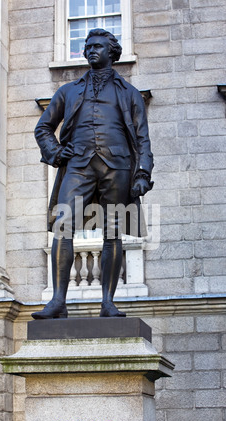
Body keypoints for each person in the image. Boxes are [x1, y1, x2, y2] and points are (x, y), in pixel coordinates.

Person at [32, 29, 153, 319]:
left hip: (119, 166)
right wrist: (55, 151)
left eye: (97, 46)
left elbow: (143, 138)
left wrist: (143, 174)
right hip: (78, 165)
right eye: (87, 46)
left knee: (113, 233)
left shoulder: (130, 93)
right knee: (63, 226)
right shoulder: (69, 91)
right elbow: (43, 127)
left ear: (112, 52)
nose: (90, 50)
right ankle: (58, 301)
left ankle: (108, 303)